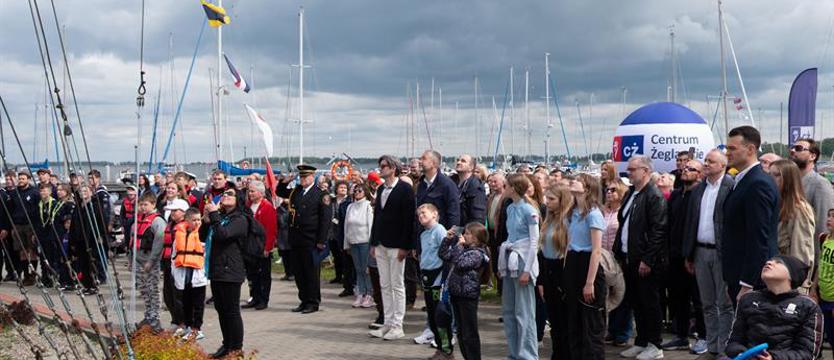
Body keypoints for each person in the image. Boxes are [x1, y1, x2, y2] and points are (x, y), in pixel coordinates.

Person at [682, 149, 735, 359]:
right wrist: (689, 254)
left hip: (721, 253)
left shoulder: (730, 186)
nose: (706, 164)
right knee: (707, 302)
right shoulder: (699, 189)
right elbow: (691, 222)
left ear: (722, 165)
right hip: (700, 251)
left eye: (711, 161)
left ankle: (724, 347)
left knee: (724, 303)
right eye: (705, 160)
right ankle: (712, 346)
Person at [613, 155, 668, 360]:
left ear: (645, 171)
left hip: (645, 260)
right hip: (629, 256)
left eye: (633, 169)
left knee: (650, 302)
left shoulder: (654, 196)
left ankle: (655, 344)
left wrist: (648, 259)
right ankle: (642, 340)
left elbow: (658, 230)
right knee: (636, 301)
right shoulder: (631, 194)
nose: (629, 172)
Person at [725, 255, 823, 359]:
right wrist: (742, 354)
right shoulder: (748, 299)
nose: (768, 262)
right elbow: (733, 342)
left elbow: (807, 353)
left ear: (792, 275)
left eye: (779, 262)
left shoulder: (808, 306)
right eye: (769, 260)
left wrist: (773, 358)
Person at [722, 125, 779, 303]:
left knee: (753, 331)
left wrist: (747, 283)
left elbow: (758, 237)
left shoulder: (757, 183)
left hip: (751, 280)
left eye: (732, 148)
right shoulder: (744, 180)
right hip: (738, 274)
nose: (727, 153)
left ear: (751, 149)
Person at [368, 155, 415, 340]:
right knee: (384, 285)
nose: (381, 168)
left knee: (397, 285)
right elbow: (377, 217)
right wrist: (373, 242)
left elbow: (408, 220)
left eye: (384, 166)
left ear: (393, 168)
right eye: (380, 165)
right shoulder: (381, 189)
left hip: (397, 245)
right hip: (380, 243)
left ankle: (398, 325)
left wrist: (405, 246)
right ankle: (387, 323)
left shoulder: (405, 189)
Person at [662, 159, 707, 354]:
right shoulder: (676, 195)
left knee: (698, 299)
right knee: (677, 298)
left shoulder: (701, 195)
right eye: (684, 168)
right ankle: (680, 336)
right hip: (674, 254)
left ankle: (703, 336)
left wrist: (691, 254)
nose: (685, 170)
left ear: (700, 174)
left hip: (693, 255)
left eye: (691, 169)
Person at [275, 165, 332, 314]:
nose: (303, 179)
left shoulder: (321, 193)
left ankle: (313, 302)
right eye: (301, 177)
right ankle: (304, 300)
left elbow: (325, 220)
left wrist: (321, 240)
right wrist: (285, 181)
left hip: (311, 239)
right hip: (296, 239)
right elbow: (279, 192)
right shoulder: (297, 191)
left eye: (306, 177)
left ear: (312, 177)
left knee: (311, 272)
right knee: (299, 272)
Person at [200, 187, 247, 359]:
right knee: (221, 309)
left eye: (230, 194)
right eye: (224, 194)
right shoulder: (221, 217)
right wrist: (206, 219)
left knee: (231, 310)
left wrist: (213, 215)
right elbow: (202, 236)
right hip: (217, 268)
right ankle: (226, 344)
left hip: (231, 270)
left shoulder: (240, 219)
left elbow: (222, 235)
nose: (225, 196)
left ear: (238, 199)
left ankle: (236, 348)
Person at [565, 174, 607, 359]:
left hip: (588, 263)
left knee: (591, 324)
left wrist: (590, 282)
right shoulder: (572, 213)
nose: (573, 181)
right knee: (574, 323)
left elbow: (596, 251)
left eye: (578, 181)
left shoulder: (594, 214)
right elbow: (568, 244)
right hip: (573, 262)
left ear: (587, 188)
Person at [498, 173, 540, 360]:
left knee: (524, 312)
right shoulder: (510, 208)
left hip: (523, 260)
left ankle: (528, 355)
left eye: (506, 185)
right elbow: (510, 235)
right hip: (510, 259)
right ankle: (514, 353)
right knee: (509, 311)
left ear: (513, 188)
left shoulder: (528, 210)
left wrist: (527, 270)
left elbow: (534, 241)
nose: (504, 188)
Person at [439, 222, 490, 360]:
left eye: (467, 234)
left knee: (469, 332)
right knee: (461, 332)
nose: (463, 236)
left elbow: (460, 263)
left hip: (468, 296)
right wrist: (448, 239)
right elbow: (444, 255)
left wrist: (459, 246)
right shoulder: (464, 249)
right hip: (456, 294)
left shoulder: (478, 254)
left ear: (476, 238)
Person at [768, 159, 815, 294]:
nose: (771, 179)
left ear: (788, 179)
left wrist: (796, 289)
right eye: (769, 175)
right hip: (773, 280)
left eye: (777, 175)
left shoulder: (799, 209)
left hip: (789, 284)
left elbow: (801, 255)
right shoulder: (776, 205)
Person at [539, 186, 573, 359]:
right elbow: (544, 252)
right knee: (554, 318)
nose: (547, 202)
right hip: (549, 269)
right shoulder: (548, 220)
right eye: (547, 198)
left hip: (561, 270)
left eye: (552, 199)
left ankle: (565, 353)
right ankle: (557, 353)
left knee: (563, 318)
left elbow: (567, 252)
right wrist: (542, 281)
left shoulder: (567, 221)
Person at [415, 203, 452, 359]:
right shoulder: (424, 234)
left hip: (438, 281)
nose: (420, 216)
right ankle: (440, 347)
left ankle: (447, 350)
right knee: (431, 316)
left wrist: (443, 279)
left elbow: (447, 256)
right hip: (427, 278)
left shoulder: (440, 231)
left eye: (424, 213)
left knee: (441, 316)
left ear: (434, 214)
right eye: (418, 214)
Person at [602, 179, 632, 347]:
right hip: (603, 259)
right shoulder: (602, 211)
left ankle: (622, 331)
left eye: (613, 190)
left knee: (621, 295)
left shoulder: (623, 211)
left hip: (617, 257)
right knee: (607, 295)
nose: (609, 192)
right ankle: (611, 330)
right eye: (607, 189)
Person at [133, 193, 168, 331]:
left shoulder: (157, 221)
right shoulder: (140, 219)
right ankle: (148, 315)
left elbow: (159, 243)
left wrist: (151, 261)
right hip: (139, 260)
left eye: (145, 204)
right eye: (140, 204)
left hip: (150, 262)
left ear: (153, 204)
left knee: (153, 290)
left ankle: (155, 319)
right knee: (144, 290)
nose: (142, 207)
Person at [171, 208, 207, 341]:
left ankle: (197, 329)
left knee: (198, 303)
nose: (197, 222)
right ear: (187, 220)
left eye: (199, 219)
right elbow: (174, 255)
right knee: (186, 302)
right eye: (194, 220)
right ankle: (188, 325)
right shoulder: (180, 234)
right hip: (183, 273)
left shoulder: (202, 234)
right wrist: (174, 272)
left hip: (198, 274)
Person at [242, 180, 277, 310]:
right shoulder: (248, 205)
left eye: (252, 191)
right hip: (250, 246)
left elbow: (271, 229)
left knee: (263, 275)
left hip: (261, 246)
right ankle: (255, 297)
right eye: (249, 191)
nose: (249, 193)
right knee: (252, 274)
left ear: (260, 193)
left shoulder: (267, 207)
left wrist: (268, 247)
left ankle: (263, 299)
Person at [344, 183, 374, 308]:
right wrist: (346, 244)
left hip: (365, 242)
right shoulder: (350, 206)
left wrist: (372, 244)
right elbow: (346, 225)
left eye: (360, 190)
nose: (357, 192)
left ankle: (369, 294)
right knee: (358, 269)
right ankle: (360, 292)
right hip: (353, 241)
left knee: (366, 269)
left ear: (365, 192)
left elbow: (371, 225)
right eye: (355, 191)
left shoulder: (368, 206)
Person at [10, 171, 41, 286]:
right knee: (22, 252)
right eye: (20, 179)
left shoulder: (34, 192)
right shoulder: (14, 193)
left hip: (30, 225)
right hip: (18, 225)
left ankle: (33, 274)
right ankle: (26, 275)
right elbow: (11, 209)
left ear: (28, 179)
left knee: (32, 250)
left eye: (23, 179)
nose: (21, 181)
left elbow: (38, 210)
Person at [162, 199, 187, 331]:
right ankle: (175, 320)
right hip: (167, 262)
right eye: (171, 210)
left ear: (183, 212)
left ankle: (183, 322)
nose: (172, 213)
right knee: (168, 294)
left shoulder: (187, 226)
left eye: (175, 210)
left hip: (179, 264)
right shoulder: (171, 224)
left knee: (179, 295)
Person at [33, 183, 63, 288]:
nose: (43, 193)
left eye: (45, 191)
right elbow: (36, 220)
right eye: (41, 191)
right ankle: (45, 278)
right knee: (42, 258)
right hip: (41, 235)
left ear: (50, 192)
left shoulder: (54, 203)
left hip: (51, 235)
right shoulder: (40, 204)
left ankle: (52, 277)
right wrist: (35, 234)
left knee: (51, 258)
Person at [327, 181, 353, 296]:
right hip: (332, 232)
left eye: (344, 187)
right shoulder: (332, 201)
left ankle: (346, 280)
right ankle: (338, 276)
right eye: (340, 187)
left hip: (342, 232)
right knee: (336, 255)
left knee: (344, 258)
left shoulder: (348, 201)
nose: (342, 189)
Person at [454, 154, 487, 226]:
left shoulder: (476, 186)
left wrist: (468, 234)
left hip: (466, 231)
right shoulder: (452, 182)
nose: (458, 162)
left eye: (463, 161)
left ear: (471, 167)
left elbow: (478, 217)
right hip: (453, 229)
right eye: (458, 160)